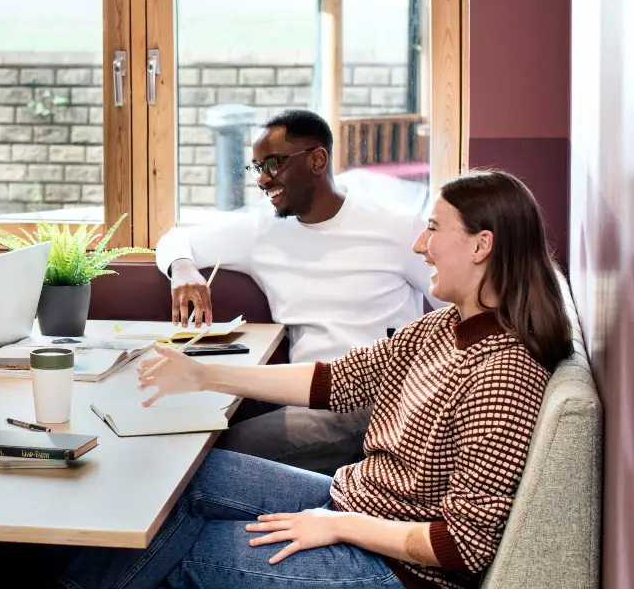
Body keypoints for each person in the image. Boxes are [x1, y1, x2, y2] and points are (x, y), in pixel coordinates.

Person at [62, 170, 572, 589]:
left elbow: (463, 546)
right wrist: (202, 373)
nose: (421, 244)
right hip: (356, 501)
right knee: (182, 479)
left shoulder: (504, 375)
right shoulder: (444, 326)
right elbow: (335, 381)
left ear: (482, 245)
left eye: (435, 228)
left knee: (183, 547)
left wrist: (339, 526)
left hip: (396, 568)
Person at [153, 108, 438, 473]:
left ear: (318, 160)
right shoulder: (263, 231)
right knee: (191, 424)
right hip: (299, 390)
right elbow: (175, 240)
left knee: (218, 451)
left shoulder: (397, 228)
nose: (262, 179)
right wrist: (183, 269)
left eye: (273, 163)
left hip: (375, 401)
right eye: (258, 167)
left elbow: (458, 303)